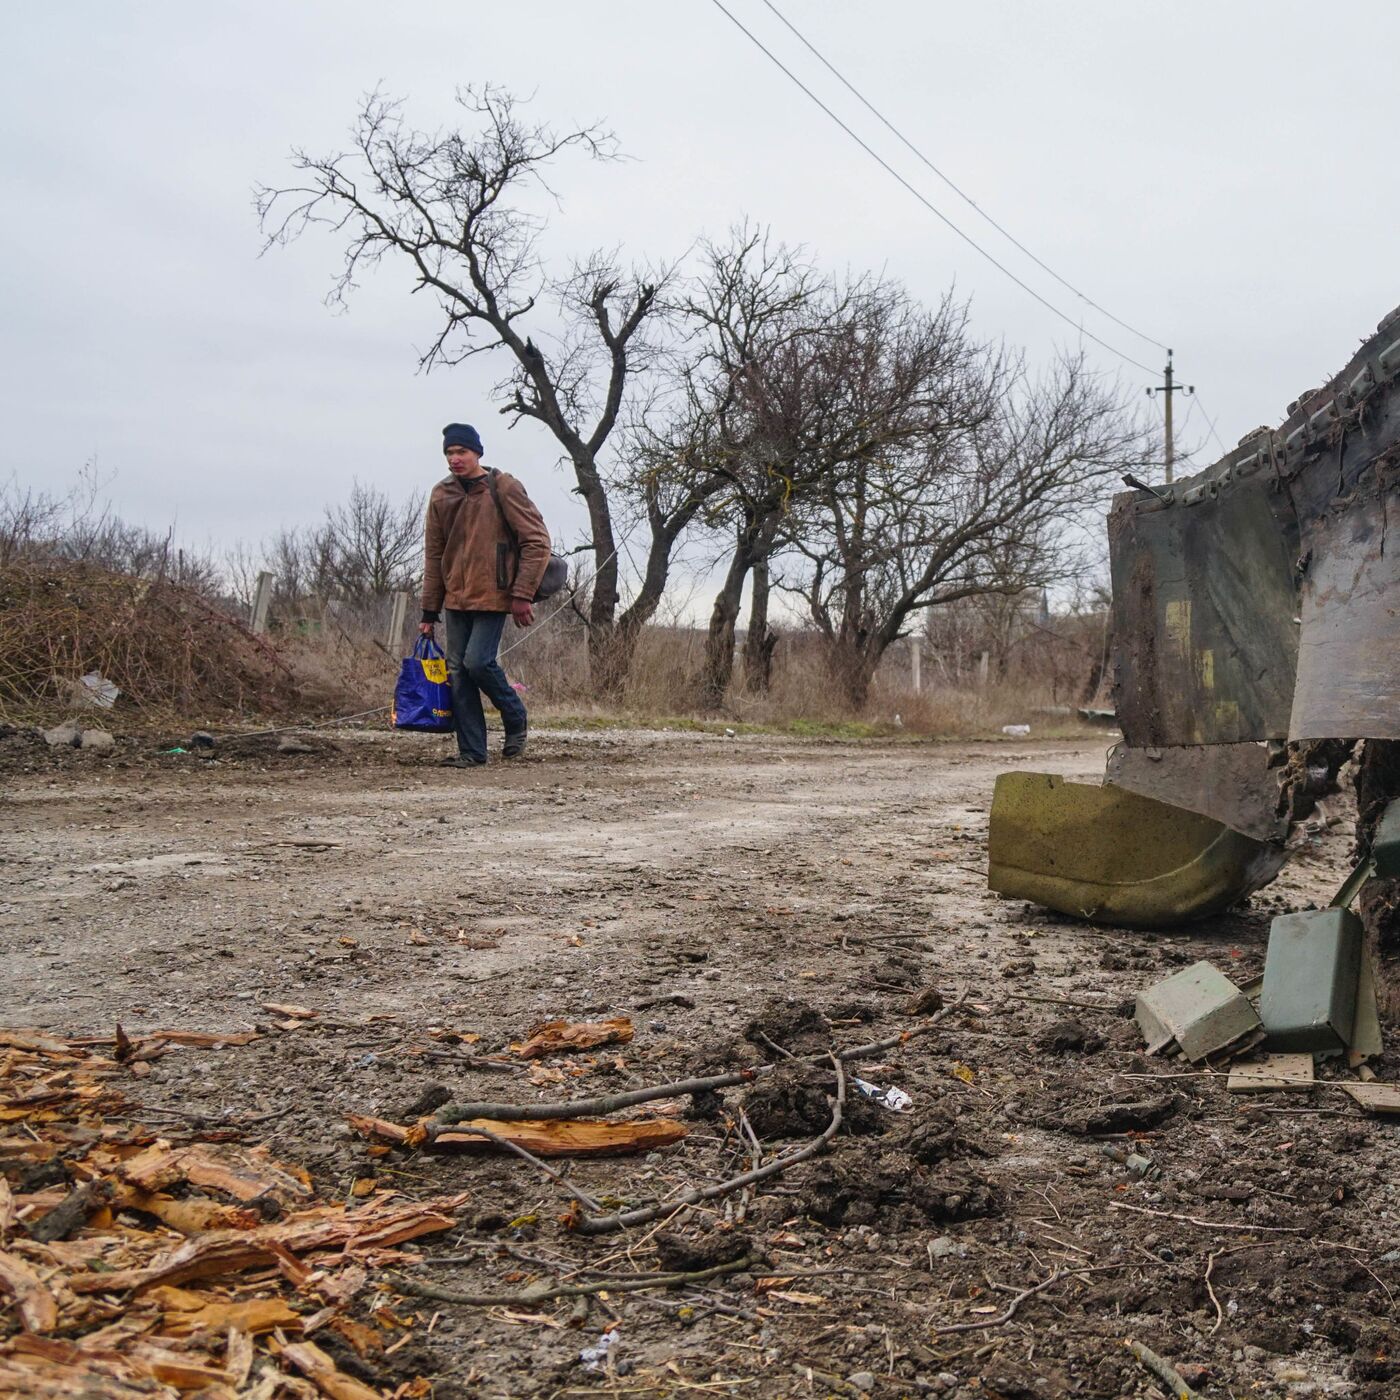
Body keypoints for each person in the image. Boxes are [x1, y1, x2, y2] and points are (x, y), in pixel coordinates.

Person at [419, 422, 551, 767]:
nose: (454, 459)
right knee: (458, 671)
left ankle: (514, 713)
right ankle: (472, 752)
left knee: (477, 662)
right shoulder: (441, 494)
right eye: (449, 453)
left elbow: (537, 541)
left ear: (477, 452)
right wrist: (428, 612)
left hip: (495, 593)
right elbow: (434, 554)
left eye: (461, 451)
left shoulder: (502, 486)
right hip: (455, 597)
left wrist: (522, 594)